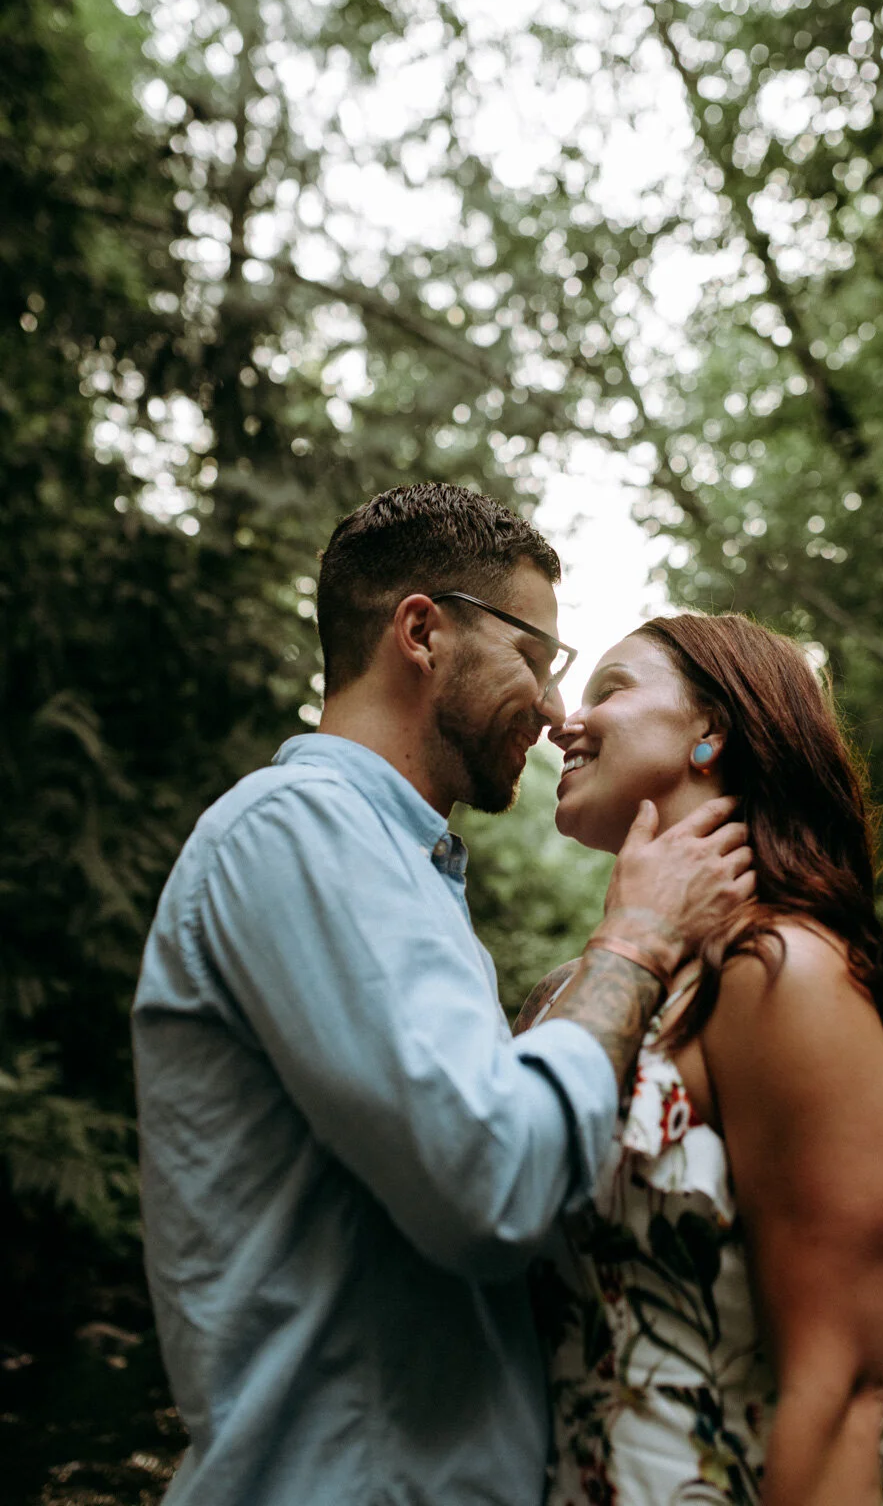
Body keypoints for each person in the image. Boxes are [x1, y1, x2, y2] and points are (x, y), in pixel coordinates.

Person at [132, 484, 755, 1506]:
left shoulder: (395, 870)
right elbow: (489, 1182)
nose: (556, 710)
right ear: (421, 631)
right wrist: (636, 940)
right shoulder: (298, 832)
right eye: (536, 658)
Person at [517, 612, 883, 1506]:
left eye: (609, 690)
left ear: (712, 731)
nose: (562, 724)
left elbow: (842, 1391)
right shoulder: (563, 997)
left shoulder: (786, 978)